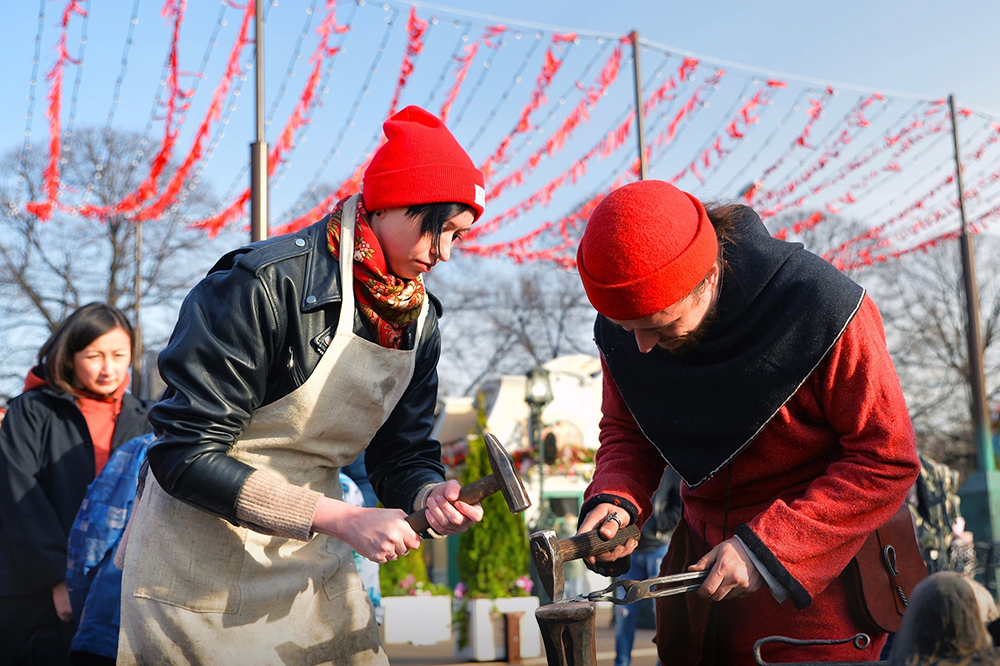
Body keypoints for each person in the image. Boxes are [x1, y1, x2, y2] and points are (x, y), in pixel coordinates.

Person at [118, 105, 487, 665]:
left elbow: (402, 452)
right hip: (195, 565)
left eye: (459, 237)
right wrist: (342, 518)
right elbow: (182, 453)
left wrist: (424, 492)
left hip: (312, 560)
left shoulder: (421, 321)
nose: (444, 253)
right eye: (440, 231)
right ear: (392, 204)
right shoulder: (262, 284)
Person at [573, 180, 920, 665]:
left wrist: (769, 548)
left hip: (814, 607)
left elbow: (886, 459)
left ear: (709, 277)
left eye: (660, 324)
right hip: (695, 605)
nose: (643, 348)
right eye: (628, 329)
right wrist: (616, 502)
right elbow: (629, 430)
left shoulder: (825, 306)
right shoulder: (627, 326)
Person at [0, 302, 151, 666]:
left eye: (119, 354)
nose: (108, 368)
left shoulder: (146, 418)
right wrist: (56, 580)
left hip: (116, 592)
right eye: (93, 355)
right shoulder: (31, 410)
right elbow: (18, 493)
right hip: (34, 591)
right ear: (69, 356)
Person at [64, 433, 154, 665]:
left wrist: (80, 602)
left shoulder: (147, 447)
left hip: (110, 625)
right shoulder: (254, 454)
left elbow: (92, 535)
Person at [614, 468, 681, 666]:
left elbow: (679, 507)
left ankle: (663, 662)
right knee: (623, 614)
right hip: (630, 551)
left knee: (662, 614)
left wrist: (651, 524)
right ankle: (621, 663)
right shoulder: (634, 462)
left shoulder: (671, 469)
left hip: (658, 548)